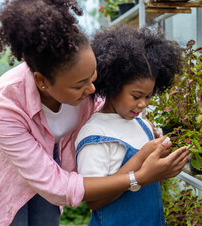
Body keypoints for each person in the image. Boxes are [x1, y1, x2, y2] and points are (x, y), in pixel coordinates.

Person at [0, 0, 190, 225]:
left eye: (93, 76)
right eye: (80, 85)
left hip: (52, 165)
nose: (92, 90)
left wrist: (144, 130)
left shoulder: (87, 80)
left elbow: (113, 104)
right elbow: (56, 185)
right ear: (42, 81)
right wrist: (139, 176)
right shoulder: (4, 104)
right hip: (5, 174)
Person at [75, 25, 187, 226]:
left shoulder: (143, 126)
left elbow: (149, 184)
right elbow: (93, 200)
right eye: (136, 96)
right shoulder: (95, 132)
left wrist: (164, 169)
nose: (143, 104)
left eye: (149, 96)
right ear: (113, 85)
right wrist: (143, 155)